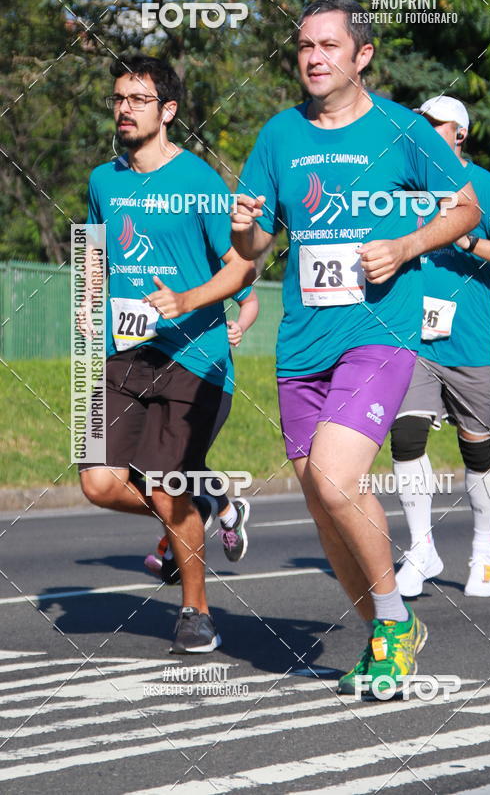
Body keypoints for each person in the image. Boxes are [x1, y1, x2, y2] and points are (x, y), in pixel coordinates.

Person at [231, 0, 480, 696]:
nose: (314, 57)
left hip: (379, 333)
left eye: (329, 45)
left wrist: (404, 245)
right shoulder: (279, 136)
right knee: (320, 497)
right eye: (305, 46)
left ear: (361, 55)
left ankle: (396, 624)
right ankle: (381, 630)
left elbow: (464, 207)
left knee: (340, 478)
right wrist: (247, 227)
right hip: (302, 341)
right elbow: (252, 248)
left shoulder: (404, 131)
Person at [79, 53, 254, 653]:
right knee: (100, 482)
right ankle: (207, 498)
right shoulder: (105, 180)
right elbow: (95, 253)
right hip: (123, 355)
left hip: (194, 358)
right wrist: (87, 308)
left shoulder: (199, 181)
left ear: (169, 111)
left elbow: (241, 267)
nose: (125, 109)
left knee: (162, 485)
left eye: (139, 99)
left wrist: (186, 298)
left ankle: (196, 610)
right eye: (119, 99)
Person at [392, 95, 490, 598]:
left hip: (474, 343)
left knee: (478, 455)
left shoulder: (487, 189)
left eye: (437, 125)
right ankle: (421, 547)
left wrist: (468, 242)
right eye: (421, 124)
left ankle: (483, 548)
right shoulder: (407, 186)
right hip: (415, 341)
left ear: (460, 134)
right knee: (405, 439)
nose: (427, 131)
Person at [144, 285, 259, 579]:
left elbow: (250, 301)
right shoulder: (153, 265)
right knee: (156, 466)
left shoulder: (212, 258)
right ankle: (194, 517)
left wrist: (240, 326)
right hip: (164, 380)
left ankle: (227, 515)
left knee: (184, 462)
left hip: (212, 382)